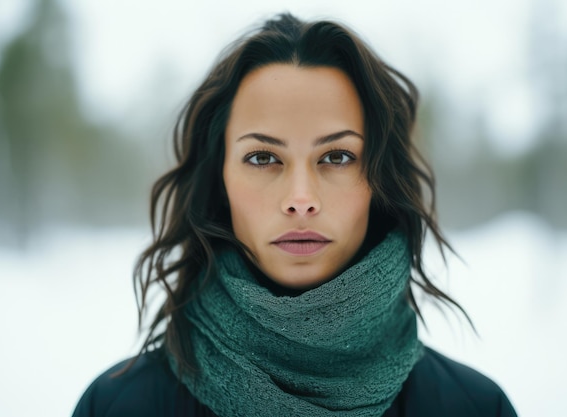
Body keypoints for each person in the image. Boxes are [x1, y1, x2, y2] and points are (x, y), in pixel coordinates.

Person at [72, 13, 517, 417]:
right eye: (263, 158)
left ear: (380, 180)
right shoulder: (117, 408)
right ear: (218, 180)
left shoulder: (475, 408)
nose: (301, 199)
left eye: (338, 156)